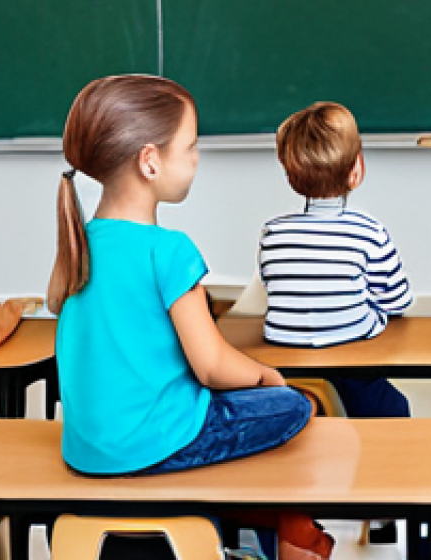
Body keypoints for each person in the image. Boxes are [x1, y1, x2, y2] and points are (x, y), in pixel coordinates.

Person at [48, 74, 333, 560]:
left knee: (234, 409)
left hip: (87, 449)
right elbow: (211, 365)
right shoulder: (170, 251)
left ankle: (262, 531)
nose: (197, 158)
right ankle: (280, 536)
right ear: (150, 161)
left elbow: (59, 304)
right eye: (190, 146)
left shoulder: (80, 242)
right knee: (297, 407)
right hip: (156, 444)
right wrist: (265, 376)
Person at [261, 101, 413, 419]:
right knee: (392, 408)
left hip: (283, 358)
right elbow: (398, 301)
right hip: (348, 351)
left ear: (290, 176)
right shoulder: (369, 230)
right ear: (356, 170)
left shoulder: (272, 232)